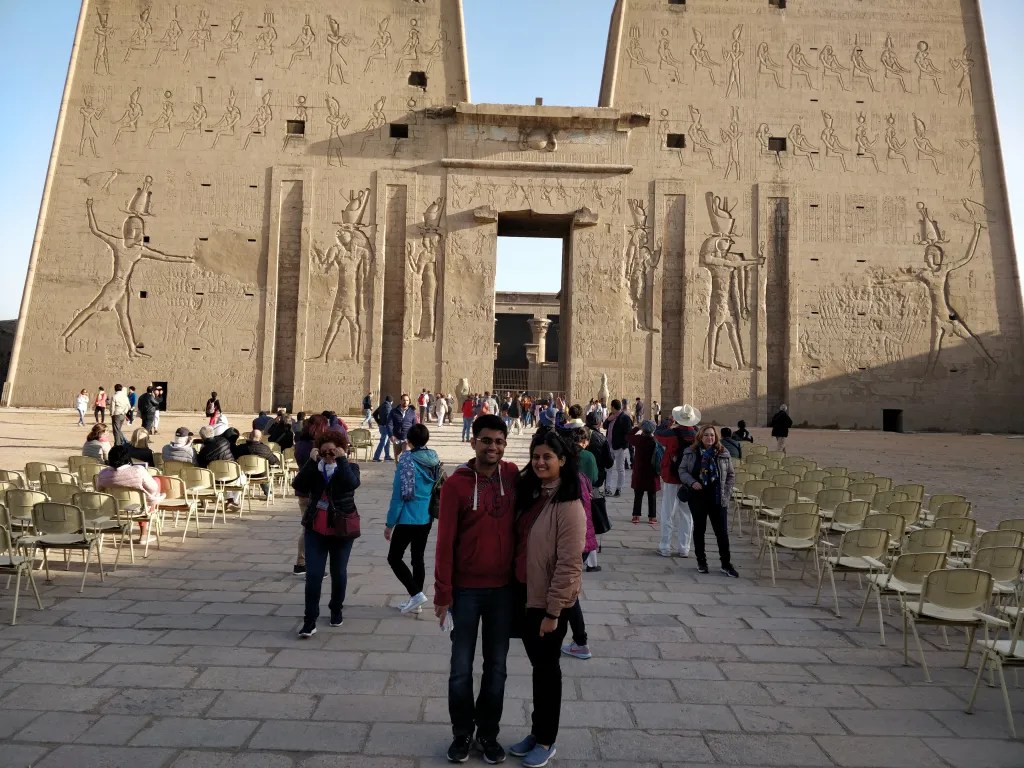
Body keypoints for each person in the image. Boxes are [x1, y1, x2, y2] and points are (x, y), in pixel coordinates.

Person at [433, 414, 518, 765]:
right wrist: (442, 593)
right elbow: (445, 541)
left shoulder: (512, 477)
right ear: (474, 442)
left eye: (498, 441)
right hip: (465, 591)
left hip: (502, 591)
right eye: (486, 440)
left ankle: (488, 732)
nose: (492, 447)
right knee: (461, 667)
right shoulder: (455, 485)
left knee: (497, 667)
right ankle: (461, 733)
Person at [508, 430, 586, 768]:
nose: (540, 462)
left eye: (547, 457)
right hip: (525, 595)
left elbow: (570, 564)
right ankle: (537, 731)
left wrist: (554, 612)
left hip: (548, 605)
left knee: (547, 670)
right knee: (539, 668)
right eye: (536, 456)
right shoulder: (533, 493)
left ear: (562, 461)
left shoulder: (569, 505)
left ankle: (546, 739)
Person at [291, 430, 361, 637]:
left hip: (341, 529)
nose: (328, 456)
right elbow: (299, 485)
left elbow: (351, 484)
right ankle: (309, 620)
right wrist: (312, 463)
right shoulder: (315, 468)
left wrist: (342, 460)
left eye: (332, 451)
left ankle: (336, 608)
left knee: (339, 573)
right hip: (316, 528)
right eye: (325, 452)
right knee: (313, 575)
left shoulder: (350, 468)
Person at [386, 423, 440, 615]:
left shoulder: (407, 461)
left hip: (408, 517)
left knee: (394, 558)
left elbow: (399, 495)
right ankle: (416, 601)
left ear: (409, 440)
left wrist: (389, 523)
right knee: (418, 558)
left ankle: (416, 593)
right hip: (425, 516)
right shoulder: (434, 458)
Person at [678, 425, 738, 577]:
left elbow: (731, 475)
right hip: (698, 496)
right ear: (700, 437)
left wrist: (726, 492)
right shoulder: (691, 452)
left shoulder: (723, 453)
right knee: (699, 529)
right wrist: (692, 482)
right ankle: (702, 561)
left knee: (722, 533)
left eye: (712, 435)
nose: (709, 438)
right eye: (706, 435)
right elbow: (682, 471)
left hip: (718, 497)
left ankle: (726, 563)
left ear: (716, 437)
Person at [654, 404, 700, 557]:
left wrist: (668, 421)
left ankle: (665, 546)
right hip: (689, 478)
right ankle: (684, 548)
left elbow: (657, 433)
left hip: (672, 476)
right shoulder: (696, 435)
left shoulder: (672, 434)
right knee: (687, 514)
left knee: (668, 511)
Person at [96, 443, 164, 545]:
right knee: (154, 485)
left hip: (113, 509)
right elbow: (153, 489)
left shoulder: (103, 474)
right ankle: (144, 534)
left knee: (144, 494)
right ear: (127, 458)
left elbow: (99, 490)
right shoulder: (138, 471)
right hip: (137, 509)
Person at [293, 414, 330, 574]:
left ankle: (301, 562)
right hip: (314, 492)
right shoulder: (314, 447)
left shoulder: (300, 444)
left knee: (307, 528)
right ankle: (311, 564)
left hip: (303, 491)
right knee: (316, 530)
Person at [628, 420, 661, 525]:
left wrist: (637, 427)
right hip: (652, 471)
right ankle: (652, 517)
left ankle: (636, 515)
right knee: (652, 495)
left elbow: (628, 435)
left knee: (638, 494)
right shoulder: (655, 441)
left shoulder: (638, 440)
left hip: (640, 471)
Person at [233, 429, 280, 497]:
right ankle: (268, 493)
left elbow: (234, 458)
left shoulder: (241, 448)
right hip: (261, 475)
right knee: (265, 472)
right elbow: (273, 461)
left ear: (249, 436)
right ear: (260, 438)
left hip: (245, 474)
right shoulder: (265, 449)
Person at [602, 399, 633, 497]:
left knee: (620, 469)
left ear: (613, 406)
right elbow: (604, 426)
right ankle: (607, 488)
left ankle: (618, 489)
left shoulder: (625, 418)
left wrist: (624, 446)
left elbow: (628, 433)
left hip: (619, 448)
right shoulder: (612, 415)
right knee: (608, 468)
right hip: (609, 446)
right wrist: (608, 419)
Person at [388, 393, 417, 459]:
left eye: (407, 400)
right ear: (400, 401)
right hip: (396, 438)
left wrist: (412, 438)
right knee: (397, 458)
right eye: (404, 400)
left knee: (405, 456)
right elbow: (389, 424)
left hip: (407, 439)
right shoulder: (393, 412)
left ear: (409, 401)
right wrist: (391, 435)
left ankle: (405, 468)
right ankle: (399, 469)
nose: (405, 402)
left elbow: (415, 426)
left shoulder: (412, 413)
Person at [372, 395, 394, 462]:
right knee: (383, 442)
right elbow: (388, 417)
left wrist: (379, 422)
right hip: (385, 426)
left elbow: (374, 414)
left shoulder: (382, 405)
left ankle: (387, 456)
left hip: (382, 426)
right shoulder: (388, 406)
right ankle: (376, 457)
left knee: (387, 441)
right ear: (391, 401)